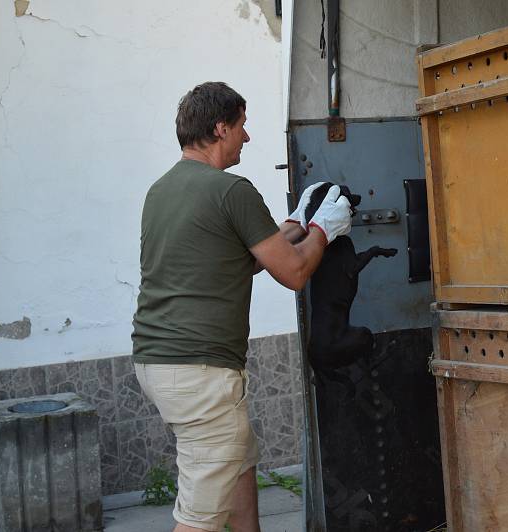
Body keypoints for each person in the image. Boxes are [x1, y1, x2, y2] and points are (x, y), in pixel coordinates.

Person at [131, 81, 352, 532]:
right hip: (199, 372)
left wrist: (296, 224)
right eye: (242, 126)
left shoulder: (162, 190)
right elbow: (291, 272)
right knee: (201, 517)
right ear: (220, 128)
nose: (247, 137)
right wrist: (325, 231)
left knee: (239, 462)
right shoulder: (231, 189)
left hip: (160, 361)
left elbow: (242, 258)